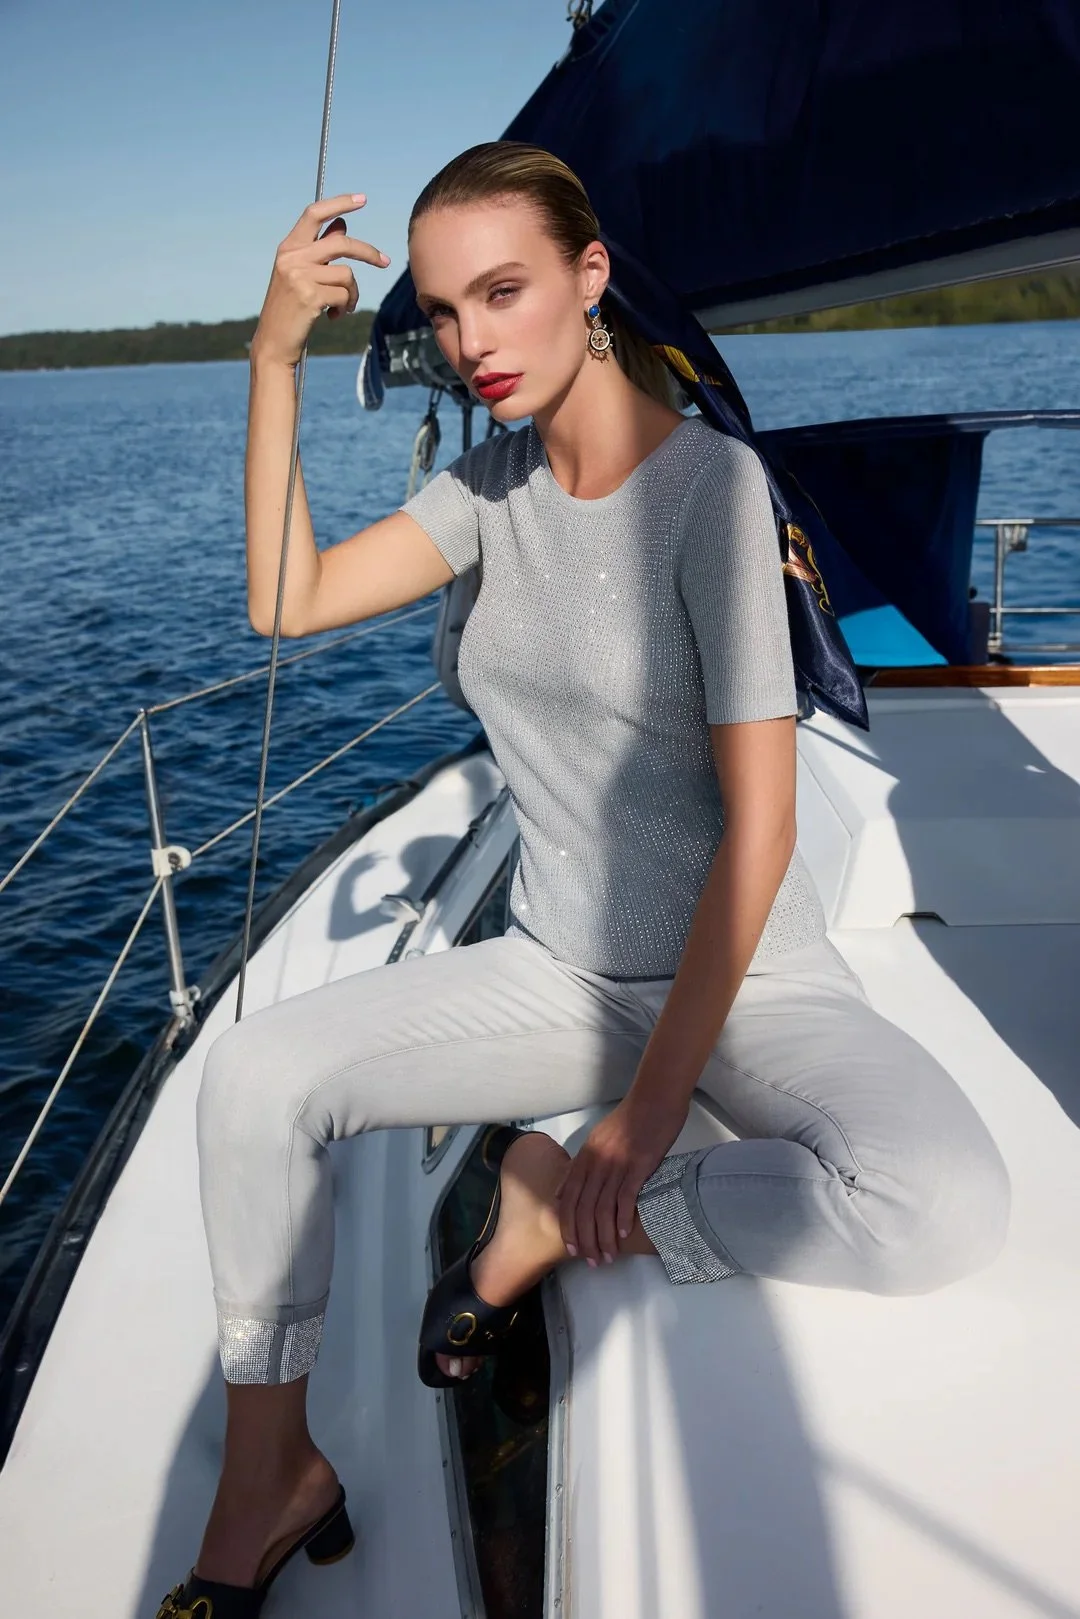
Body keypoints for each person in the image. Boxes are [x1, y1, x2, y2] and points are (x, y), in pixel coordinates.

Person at [157, 141, 1010, 1616]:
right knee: (250, 1080)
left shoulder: (710, 495)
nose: (472, 341)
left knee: (940, 1204)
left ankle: (547, 1216)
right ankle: (273, 1473)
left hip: (749, 978)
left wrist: (641, 1130)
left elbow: (762, 829)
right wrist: (273, 354)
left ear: (590, 277)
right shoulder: (486, 491)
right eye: (441, 311)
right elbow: (284, 601)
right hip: (559, 969)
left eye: (504, 292)